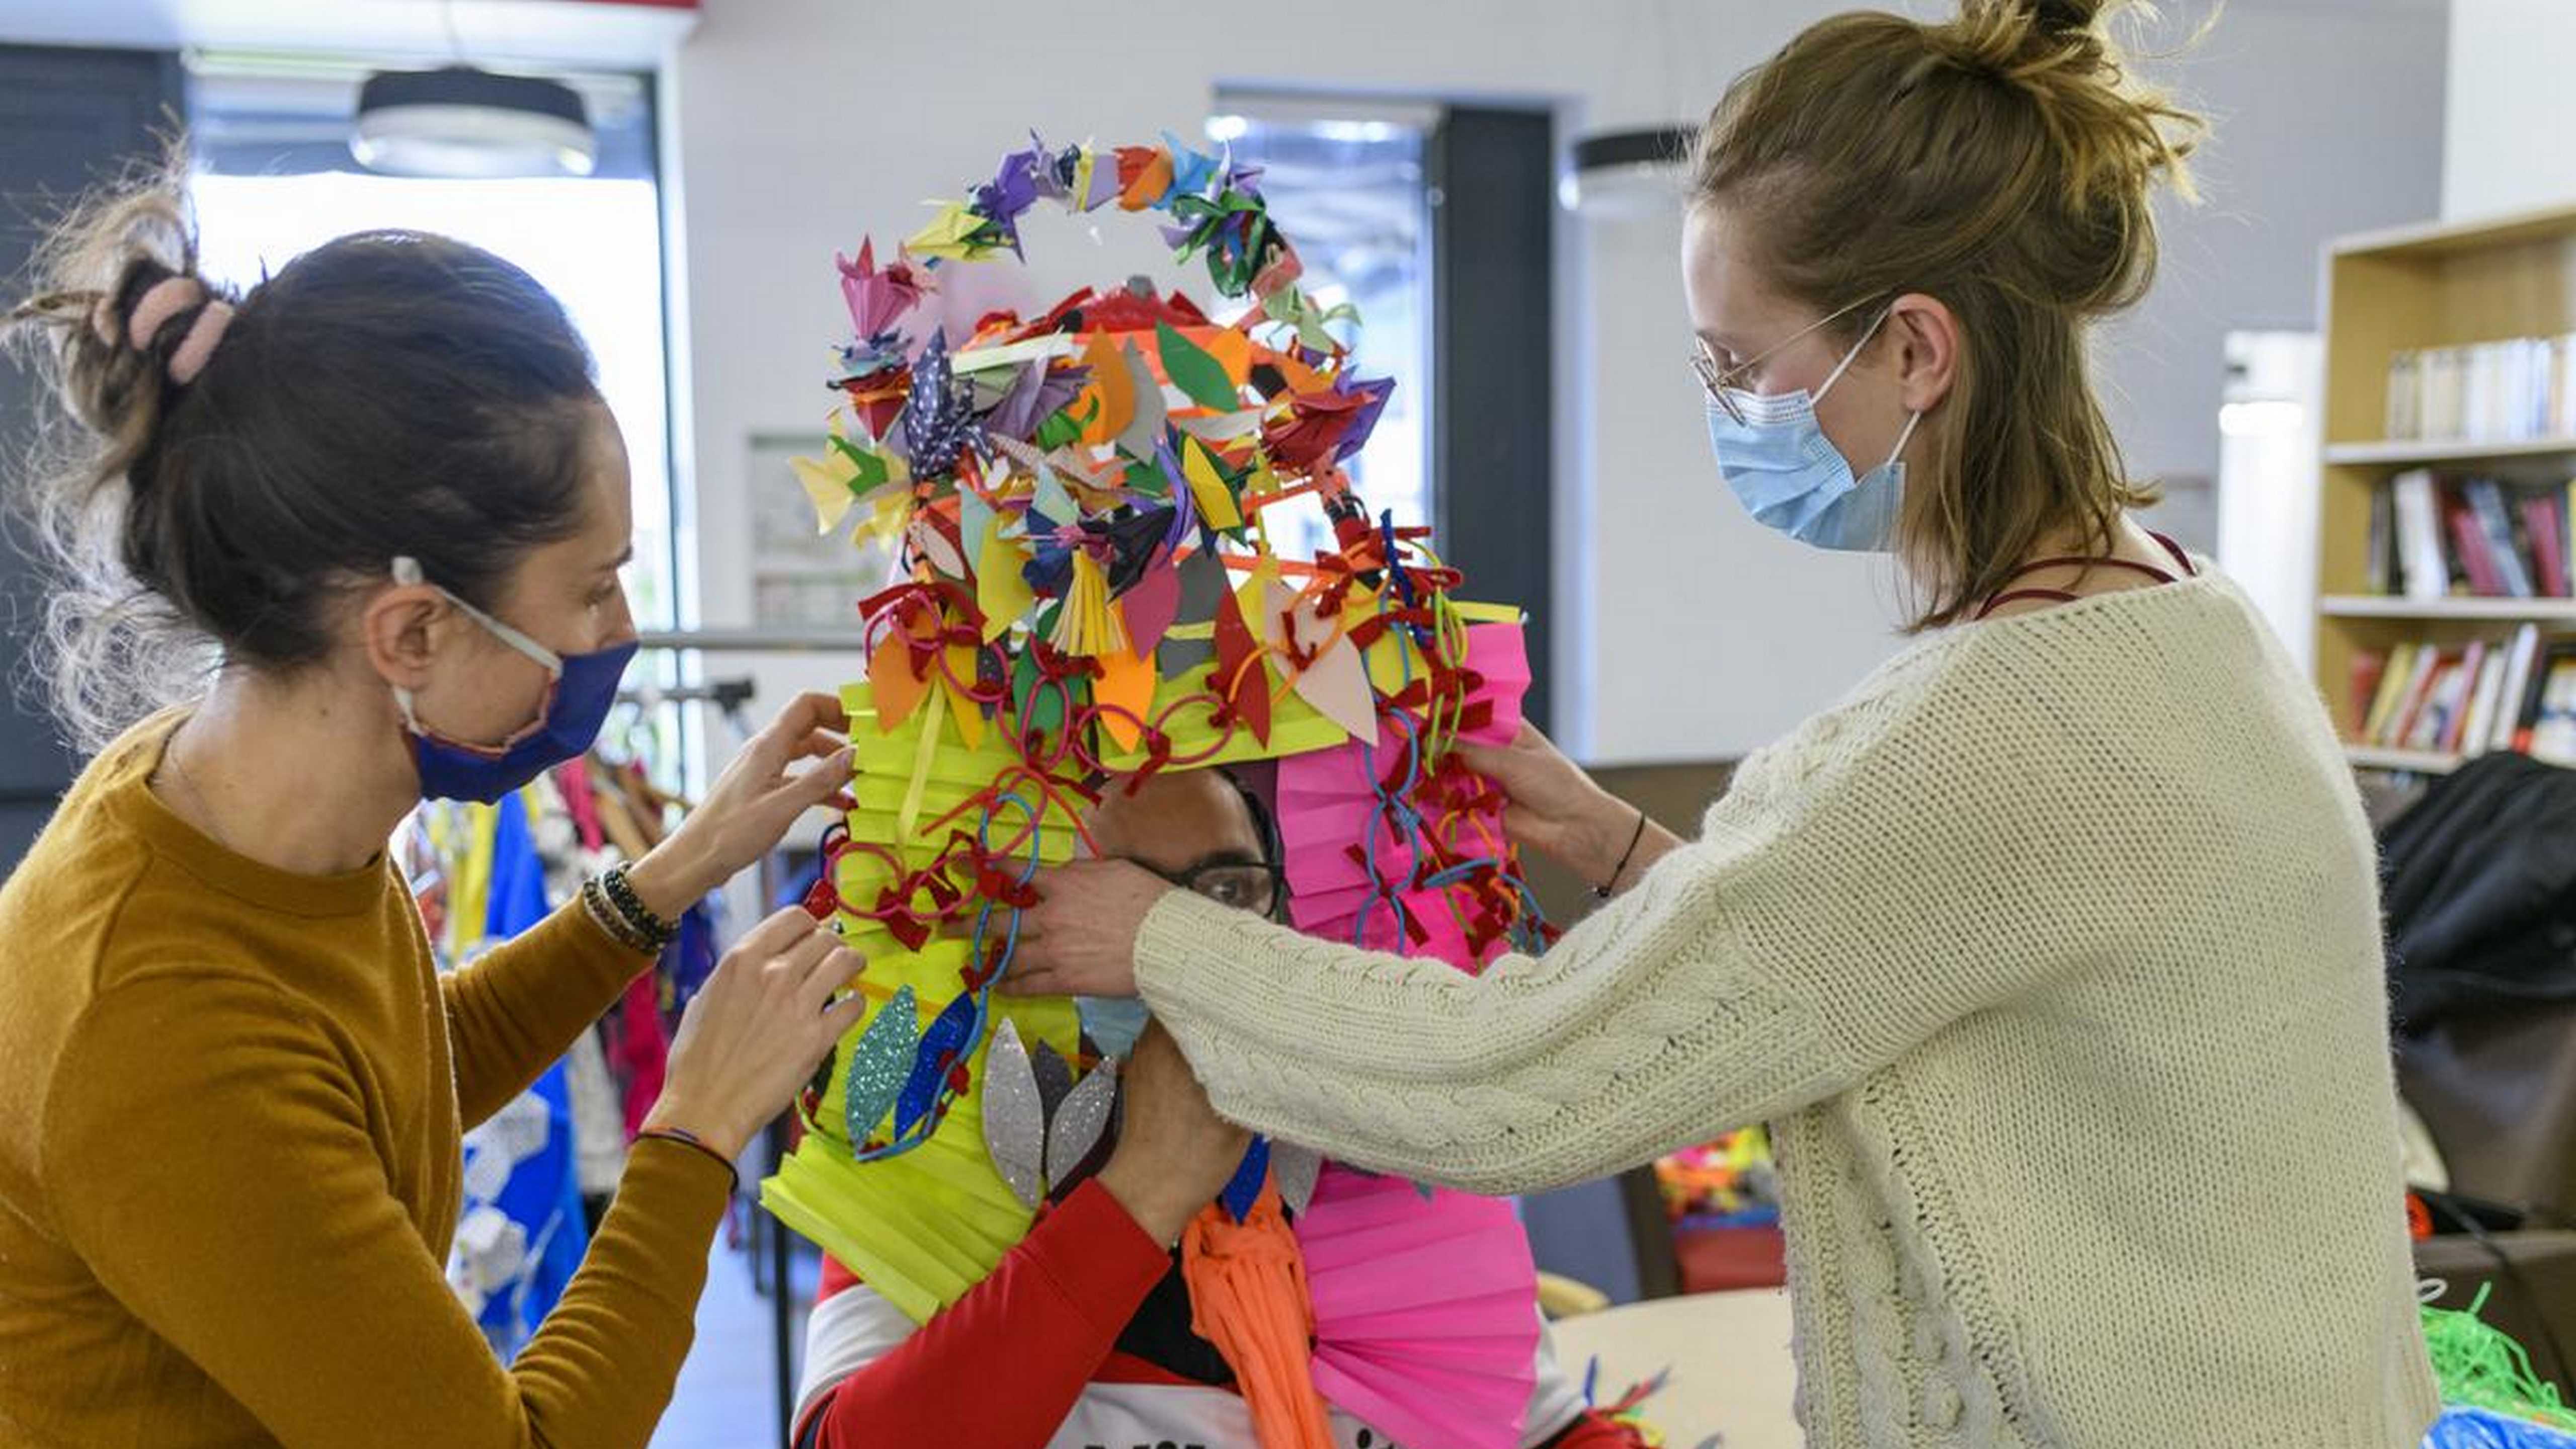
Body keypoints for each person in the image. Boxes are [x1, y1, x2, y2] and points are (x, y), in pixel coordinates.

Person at [1004, 2, 2442, 1444]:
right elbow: (1919, 953)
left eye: (1741, 367)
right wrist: (1614, 842)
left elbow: (1529, 1080)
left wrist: (1156, 941)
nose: (1733, 412)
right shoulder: (2189, 617)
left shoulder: (1993, 730)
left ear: (1917, 353)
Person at [0, 175, 871, 1448]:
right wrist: (698, 1128)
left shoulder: (232, 805)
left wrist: (673, 872)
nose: (621, 636)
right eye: (594, 589)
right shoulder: (152, 1019)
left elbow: (392, 1077)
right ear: (410, 630)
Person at [795, 767, 1644, 1448]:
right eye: (1113, 906)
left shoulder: (1374, 1172)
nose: (1181, 949)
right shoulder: (936, 1176)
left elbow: (1553, 1432)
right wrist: (1140, 1199)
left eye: (1230, 895)